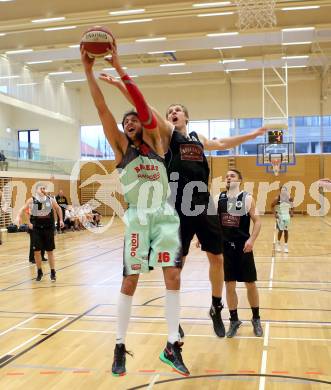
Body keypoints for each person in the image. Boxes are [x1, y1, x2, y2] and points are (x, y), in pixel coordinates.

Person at [101, 73, 267, 337]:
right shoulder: (166, 136)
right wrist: (121, 85)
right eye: (170, 111)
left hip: (203, 202)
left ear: (186, 117)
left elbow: (223, 143)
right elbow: (143, 105)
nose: (174, 113)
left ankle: (215, 306)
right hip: (177, 204)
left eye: (178, 110)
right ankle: (173, 315)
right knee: (177, 263)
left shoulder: (197, 137)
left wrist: (253, 135)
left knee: (218, 257)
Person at [82, 41, 189, 377]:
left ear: (142, 125)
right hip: (139, 221)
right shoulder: (119, 149)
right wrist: (87, 70)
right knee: (130, 282)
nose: (129, 122)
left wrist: (118, 66)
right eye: (125, 121)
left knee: (172, 276)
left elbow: (142, 107)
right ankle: (118, 344)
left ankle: (172, 344)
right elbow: (102, 110)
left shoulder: (158, 143)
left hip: (165, 217)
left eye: (133, 120)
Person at [217, 169, 263, 338]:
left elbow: (257, 221)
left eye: (232, 176)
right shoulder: (219, 199)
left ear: (240, 180)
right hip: (225, 248)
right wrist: (205, 237)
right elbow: (213, 222)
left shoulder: (247, 198)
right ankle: (234, 319)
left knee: (250, 284)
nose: (228, 178)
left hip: (243, 247)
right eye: (227, 176)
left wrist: (251, 240)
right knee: (229, 285)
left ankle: (256, 318)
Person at [18, 183, 64, 281]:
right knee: (37, 252)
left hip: (48, 228)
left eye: (44, 188)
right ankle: (39, 271)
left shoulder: (50, 199)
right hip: (36, 229)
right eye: (41, 188)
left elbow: (59, 209)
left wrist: (61, 220)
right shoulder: (31, 200)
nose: (43, 190)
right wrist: (22, 218)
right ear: (36, 190)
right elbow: (23, 209)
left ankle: (52, 271)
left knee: (49, 251)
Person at [271, 185, 294, 253]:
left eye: (285, 190)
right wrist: (275, 214)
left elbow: (292, 206)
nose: (283, 191)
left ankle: (286, 246)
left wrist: (292, 212)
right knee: (281, 230)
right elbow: (272, 206)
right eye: (282, 190)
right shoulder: (277, 198)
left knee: (286, 231)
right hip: (280, 216)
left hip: (287, 216)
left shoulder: (289, 198)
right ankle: (278, 244)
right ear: (280, 191)